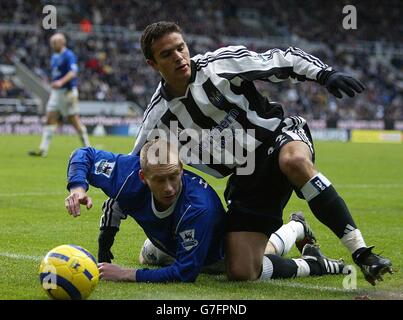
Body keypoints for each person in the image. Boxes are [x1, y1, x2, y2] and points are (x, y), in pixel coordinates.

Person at [128, 21, 392, 285]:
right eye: (166, 54)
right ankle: (310, 257)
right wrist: (107, 220)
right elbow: (132, 167)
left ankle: (362, 253)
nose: (178, 57)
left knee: (295, 161)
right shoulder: (158, 117)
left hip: (278, 138)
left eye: (180, 48)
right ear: (153, 64)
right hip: (246, 174)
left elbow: (283, 59)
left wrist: (325, 74)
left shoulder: (220, 65)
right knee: (242, 271)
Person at [65, 139, 346, 283]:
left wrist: (126, 274)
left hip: (214, 250)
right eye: (159, 180)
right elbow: (84, 154)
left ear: (182, 169)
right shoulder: (125, 173)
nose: (169, 187)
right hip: (170, 241)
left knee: (248, 268)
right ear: (142, 177)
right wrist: (77, 187)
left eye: (174, 176)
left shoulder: (198, 208)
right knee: (147, 253)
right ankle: (297, 227)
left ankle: (314, 264)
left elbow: (185, 273)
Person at [29, 33, 90, 157]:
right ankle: (43, 150)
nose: (52, 44)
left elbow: (73, 72)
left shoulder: (69, 55)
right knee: (49, 119)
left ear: (62, 42)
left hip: (67, 92)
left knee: (74, 120)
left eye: (55, 42)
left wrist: (61, 82)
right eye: (52, 42)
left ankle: (89, 149)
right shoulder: (54, 56)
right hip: (56, 93)